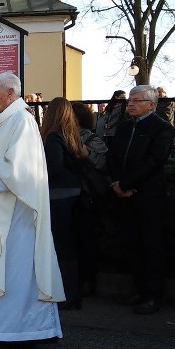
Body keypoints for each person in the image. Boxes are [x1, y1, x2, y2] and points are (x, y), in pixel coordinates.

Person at [0, 72, 65, 349]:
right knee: (4, 268)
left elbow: (22, 170)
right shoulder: (0, 122)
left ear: (10, 93)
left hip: (17, 217)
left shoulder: (22, 121)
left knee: (16, 270)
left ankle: (23, 331)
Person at [108, 85, 174, 314]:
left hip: (149, 195)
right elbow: (113, 155)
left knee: (151, 245)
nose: (131, 104)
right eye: (130, 100)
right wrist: (117, 183)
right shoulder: (125, 127)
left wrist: (127, 184)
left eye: (137, 100)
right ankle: (138, 290)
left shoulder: (162, 128)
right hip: (124, 195)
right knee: (132, 243)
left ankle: (153, 295)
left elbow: (155, 161)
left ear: (151, 105)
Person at [40, 97, 88, 310]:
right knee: (72, 241)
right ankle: (74, 290)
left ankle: (67, 293)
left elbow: (54, 166)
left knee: (61, 243)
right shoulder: (72, 134)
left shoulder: (52, 136)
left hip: (57, 194)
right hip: (74, 191)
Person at [70, 101, 108, 298]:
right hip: (66, 195)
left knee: (85, 240)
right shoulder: (57, 136)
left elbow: (100, 163)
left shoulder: (92, 139)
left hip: (85, 196)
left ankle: (87, 280)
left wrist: (84, 153)